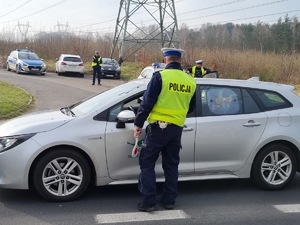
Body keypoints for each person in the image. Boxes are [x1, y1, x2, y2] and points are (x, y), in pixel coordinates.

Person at [133, 47, 196, 212]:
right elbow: (191, 108)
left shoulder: (160, 76)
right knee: (171, 165)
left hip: (157, 129)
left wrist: (138, 124)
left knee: (146, 163)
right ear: (180, 60)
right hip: (176, 130)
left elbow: (147, 103)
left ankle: (149, 202)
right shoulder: (190, 81)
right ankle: (169, 200)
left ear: (165, 59)